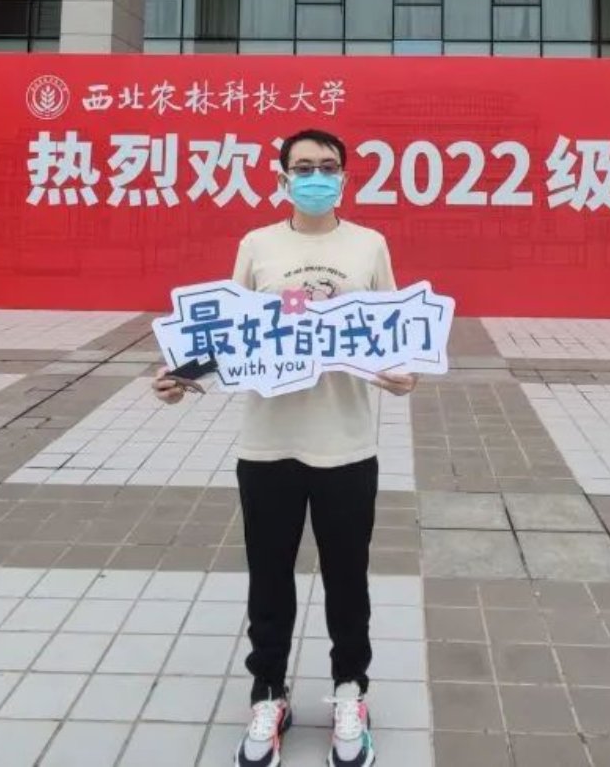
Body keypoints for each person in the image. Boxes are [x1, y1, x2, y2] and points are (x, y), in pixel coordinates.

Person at [152, 127, 415, 767]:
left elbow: (392, 335)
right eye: (303, 167)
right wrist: (182, 378)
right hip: (268, 445)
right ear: (282, 177)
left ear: (345, 177)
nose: (316, 177)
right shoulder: (258, 245)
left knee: (348, 580)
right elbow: (231, 333)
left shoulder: (369, 245)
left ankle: (351, 692)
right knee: (269, 580)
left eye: (328, 166)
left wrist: (401, 373)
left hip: (346, 445)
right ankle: (268, 694)